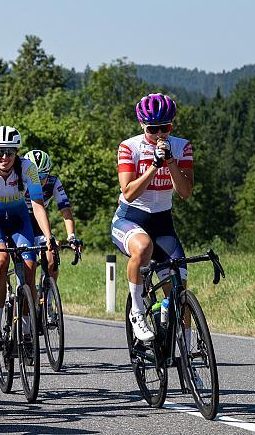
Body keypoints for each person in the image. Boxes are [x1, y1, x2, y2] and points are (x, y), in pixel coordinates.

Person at [111, 93, 194, 342]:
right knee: (143, 246)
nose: (159, 134)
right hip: (130, 218)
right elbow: (128, 192)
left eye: (165, 128)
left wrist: (170, 162)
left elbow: (185, 192)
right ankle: (137, 312)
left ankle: (188, 357)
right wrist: (153, 167)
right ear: (142, 125)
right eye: (153, 129)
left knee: (180, 289)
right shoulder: (129, 147)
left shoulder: (181, 146)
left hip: (162, 223)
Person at [0, 126, 54, 351]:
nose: (4, 157)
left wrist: (47, 236)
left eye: (10, 152)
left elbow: (37, 205)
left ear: (16, 152)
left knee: (29, 268)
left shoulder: (28, 169)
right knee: (0, 262)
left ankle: (27, 330)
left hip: (19, 219)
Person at [24, 149, 83, 279]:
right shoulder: (19, 181)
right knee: (27, 264)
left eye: (41, 176)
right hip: (20, 220)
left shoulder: (53, 183)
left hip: (39, 222)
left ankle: (47, 298)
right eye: (33, 175)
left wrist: (71, 236)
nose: (37, 180)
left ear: (49, 173)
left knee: (52, 261)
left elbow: (65, 210)